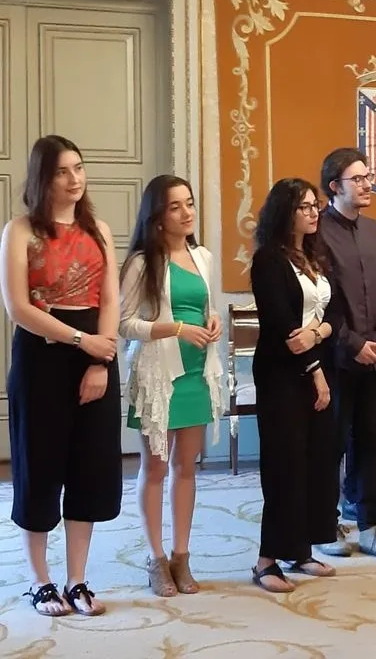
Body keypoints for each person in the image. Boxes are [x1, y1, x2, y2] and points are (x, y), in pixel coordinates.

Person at [0, 135, 122, 616]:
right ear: (42, 178)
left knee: (88, 469)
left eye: (79, 168)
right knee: (40, 468)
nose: (74, 179)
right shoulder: (20, 230)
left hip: (95, 354)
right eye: (61, 171)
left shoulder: (99, 230)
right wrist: (80, 341)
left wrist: (99, 359)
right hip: (41, 357)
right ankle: (40, 581)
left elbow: (110, 300)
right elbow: (18, 307)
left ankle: (77, 579)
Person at [119, 174, 224, 596]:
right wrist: (176, 328)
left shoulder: (204, 257)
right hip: (159, 376)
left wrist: (212, 320)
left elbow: (207, 307)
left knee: (186, 467)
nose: (186, 212)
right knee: (157, 468)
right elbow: (125, 324)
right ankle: (156, 557)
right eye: (175, 206)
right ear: (158, 216)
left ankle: (182, 556)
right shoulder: (142, 263)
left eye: (190, 203)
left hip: (198, 372)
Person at [249, 178, 343, 592]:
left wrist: (320, 333)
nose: (313, 212)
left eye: (314, 205)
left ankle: (300, 549)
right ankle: (266, 560)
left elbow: (337, 311)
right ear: (285, 212)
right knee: (284, 465)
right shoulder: (268, 260)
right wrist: (316, 371)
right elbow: (282, 325)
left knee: (316, 462)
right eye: (304, 206)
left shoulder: (317, 256)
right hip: (282, 375)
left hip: (317, 363)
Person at [318, 147, 376, 562]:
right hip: (337, 358)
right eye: (358, 179)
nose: (368, 184)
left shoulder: (374, 230)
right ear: (335, 186)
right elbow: (322, 302)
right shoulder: (317, 232)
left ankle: (370, 525)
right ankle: (324, 522)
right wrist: (354, 344)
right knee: (331, 443)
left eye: (369, 176)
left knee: (372, 441)